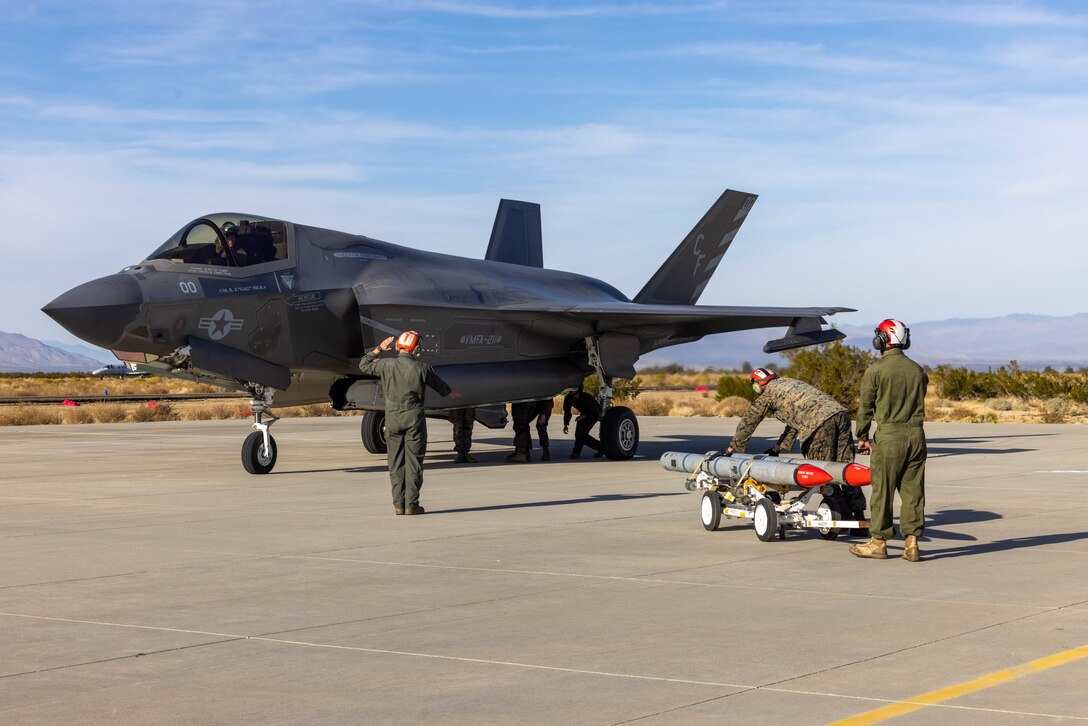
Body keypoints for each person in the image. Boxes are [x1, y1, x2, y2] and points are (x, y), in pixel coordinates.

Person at [724, 368, 867, 527]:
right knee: (846, 468)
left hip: (819, 423)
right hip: (840, 415)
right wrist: (776, 449)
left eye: (754, 383)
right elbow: (795, 423)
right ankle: (860, 519)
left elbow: (749, 422)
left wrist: (732, 449)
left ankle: (843, 518)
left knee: (825, 472)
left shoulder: (769, 394)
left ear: (759, 383)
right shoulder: (791, 384)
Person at [850, 319, 928, 562]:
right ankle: (912, 543)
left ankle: (878, 543)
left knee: (882, 491)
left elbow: (865, 407)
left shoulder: (875, 371)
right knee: (913, 491)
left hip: (890, 437)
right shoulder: (918, 370)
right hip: (916, 436)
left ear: (882, 340)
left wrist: (861, 435)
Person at [358, 331, 456, 515]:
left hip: (392, 419)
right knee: (414, 463)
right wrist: (452, 393)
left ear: (397, 346)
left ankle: (398, 505)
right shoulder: (422, 368)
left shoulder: (386, 365)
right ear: (416, 349)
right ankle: (412, 505)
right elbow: (441, 387)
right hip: (414, 420)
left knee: (395, 463)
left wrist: (379, 349)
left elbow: (364, 365)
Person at [563, 386, 603, 458]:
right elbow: (567, 412)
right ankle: (602, 448)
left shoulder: (586, 397)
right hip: (584, 414)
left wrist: (583, 416)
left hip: (594, 414)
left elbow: (595, 411)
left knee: (581, 434)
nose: (571, 391)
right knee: (581, 435)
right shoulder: (568, 398)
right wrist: (566, 424)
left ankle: (576, 453)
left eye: (573, 390)